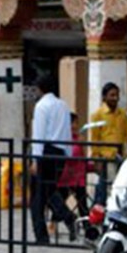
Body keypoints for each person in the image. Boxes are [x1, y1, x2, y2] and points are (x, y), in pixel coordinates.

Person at [29, 74, 76, 244]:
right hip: (60, 152)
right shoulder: (63, 105)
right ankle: (69, 218)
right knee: (49, 191)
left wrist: (35, 158)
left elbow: (39, 134)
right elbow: (67, 131)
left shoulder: (42, 106)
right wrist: (68, 153)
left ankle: (43, 235)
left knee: (38, 197)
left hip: (45, 152)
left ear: (40, 89)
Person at [89, 82, 127, 206]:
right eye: (112, 95)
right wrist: (96, 159)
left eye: (117, 95)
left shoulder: (123, 114)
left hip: (120, 155)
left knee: (119, 185)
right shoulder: (97, 115)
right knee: (109, 187)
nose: (115, 98)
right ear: (104, 97)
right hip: (106, 157)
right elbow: (94, 139)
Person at [57, 112, 89, 219]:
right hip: (65, 175)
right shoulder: (61, 138)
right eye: (72, 123)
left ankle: (86, 224)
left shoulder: (80, 138)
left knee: (82, 201)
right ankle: (60, 220)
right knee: (60, 200)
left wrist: (83, 144)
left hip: (78, 175)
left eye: (76, 123)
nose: (74, 126)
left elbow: (84, 155)